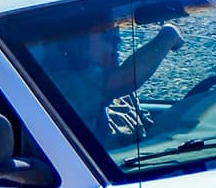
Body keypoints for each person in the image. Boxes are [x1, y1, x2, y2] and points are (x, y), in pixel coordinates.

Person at [32, 16, 183, 146]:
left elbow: (150, 134)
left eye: (117, 32)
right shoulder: (59, 89)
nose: (118, 40)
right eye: (106, 34)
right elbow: (126, 78)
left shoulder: (121, 93)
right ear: (77, 45)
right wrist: (169, 35)